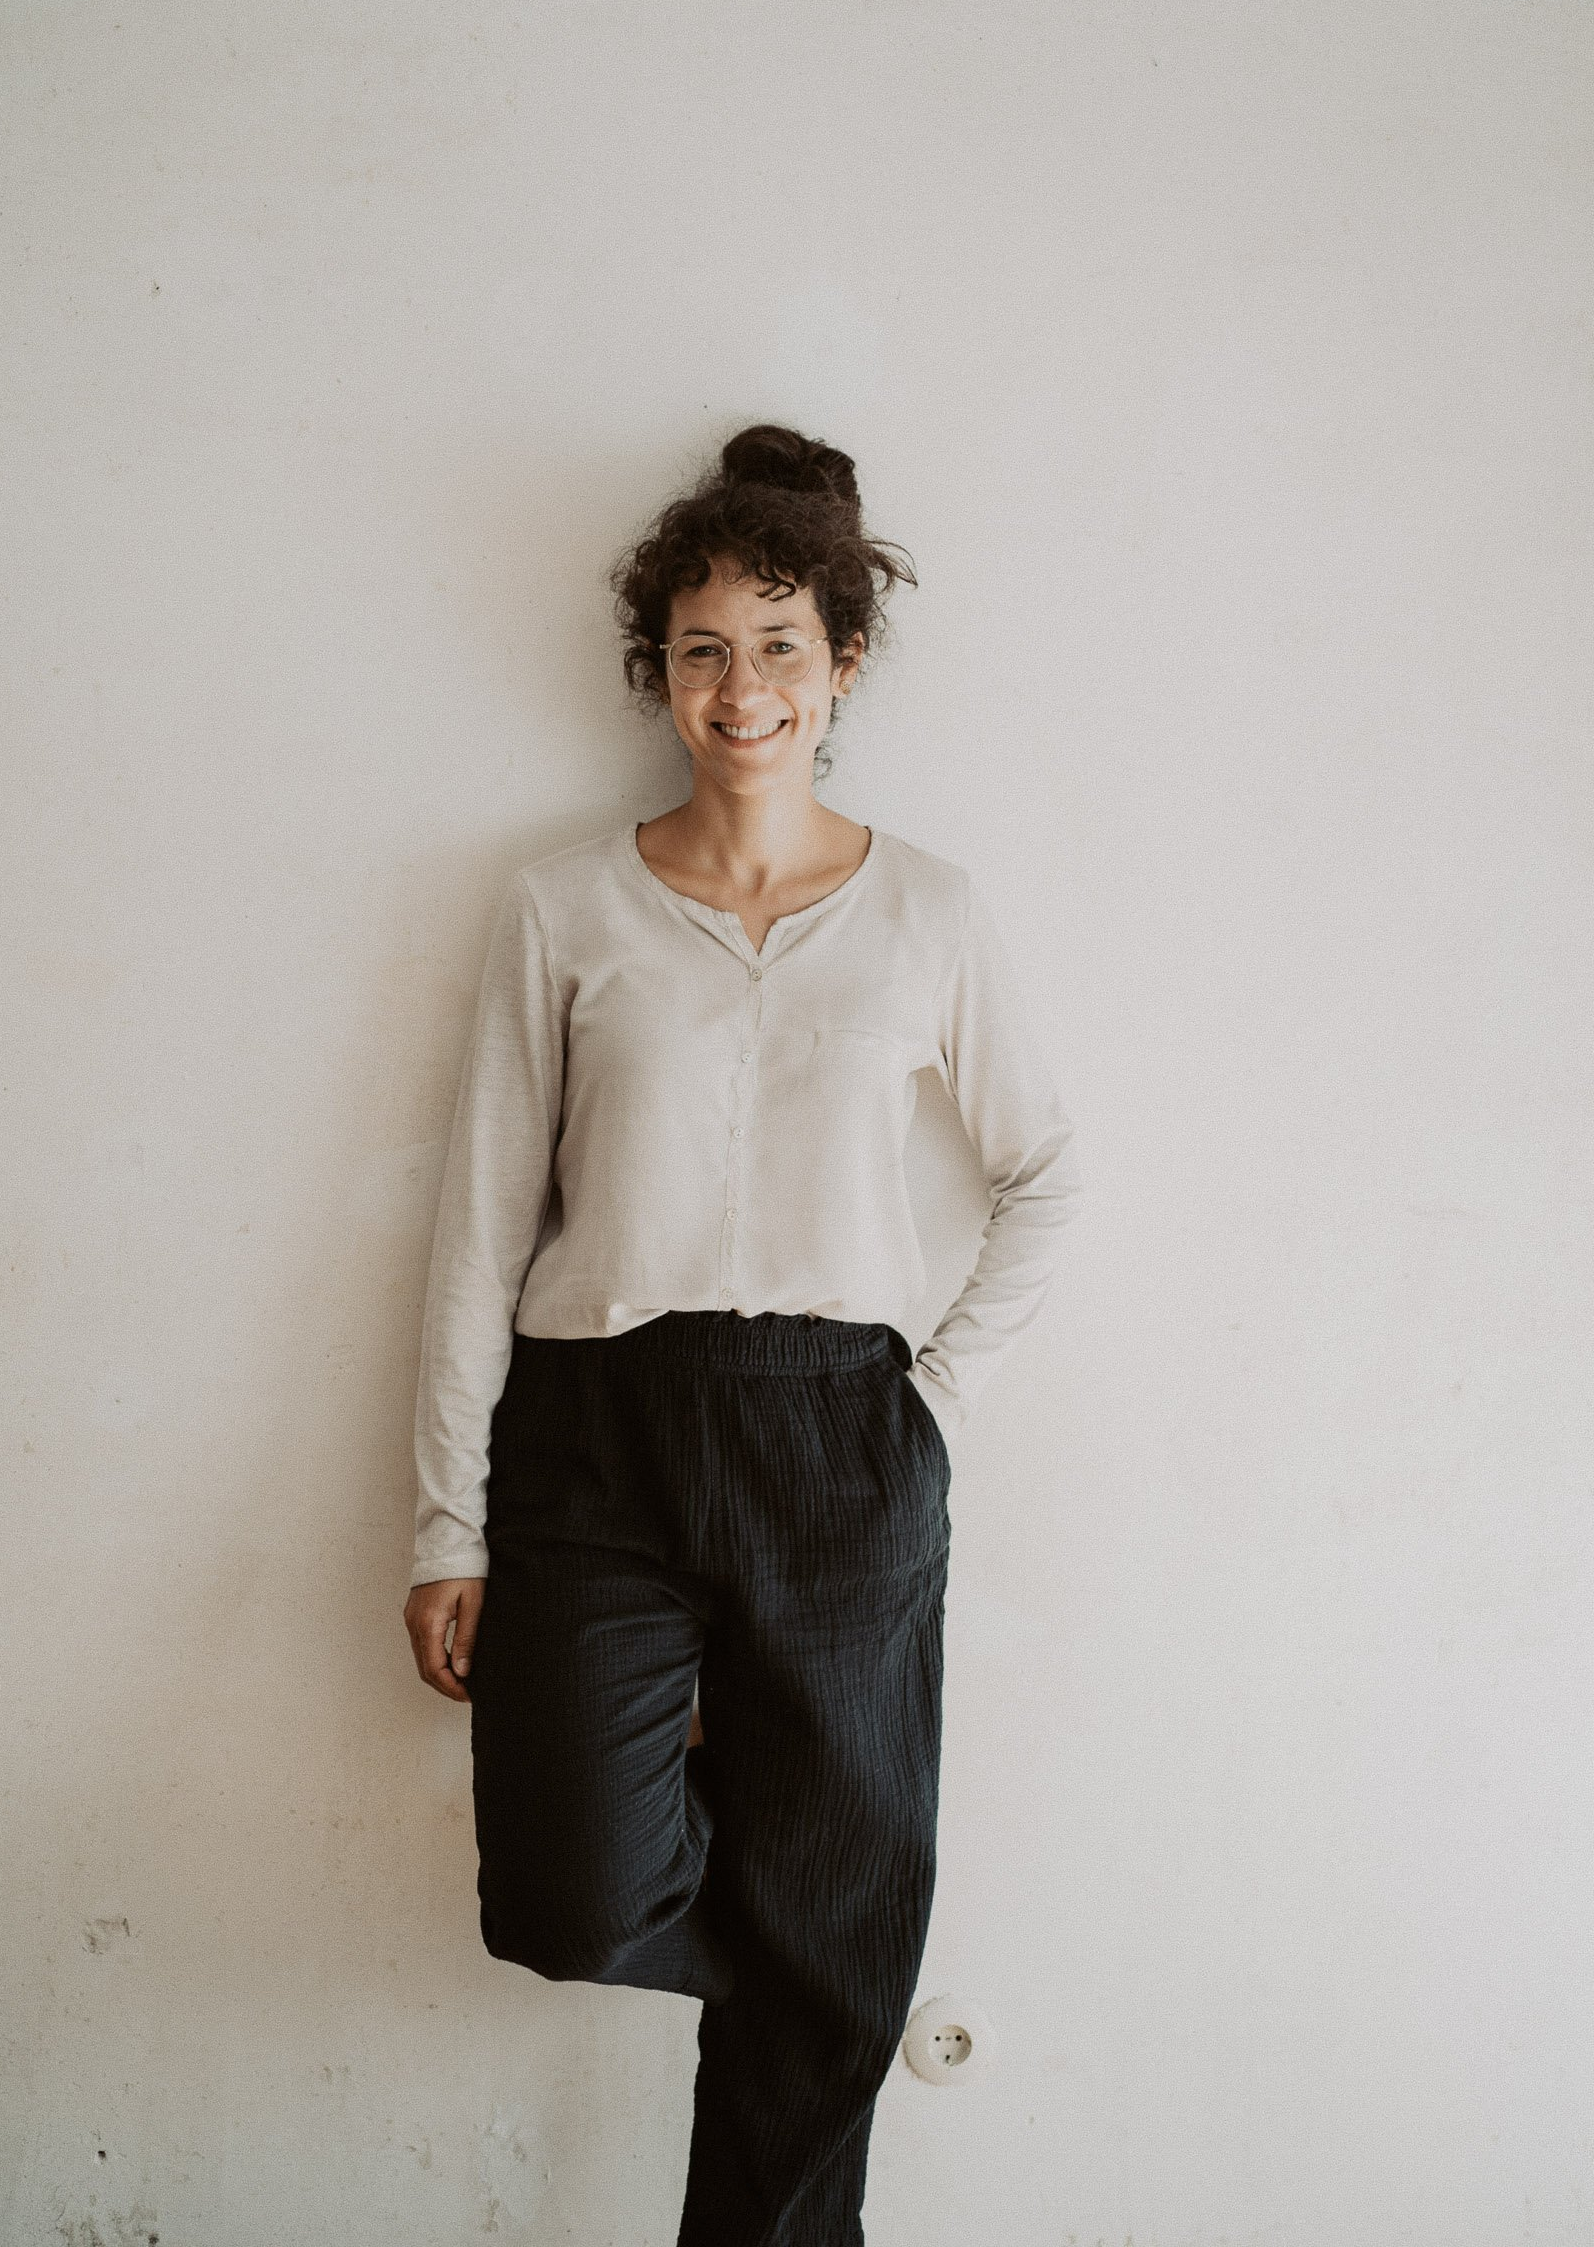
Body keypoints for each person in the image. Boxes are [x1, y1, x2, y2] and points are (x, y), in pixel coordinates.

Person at [401, 422, 1081, 2245]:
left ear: (842, 663)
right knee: (571, 1888)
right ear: (658, 672)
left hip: (842, 1439)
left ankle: (811, 2000)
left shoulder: (928, 911)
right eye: (701, 648)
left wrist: (929, 1406)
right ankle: (805, 1922)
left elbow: (1045, 1174)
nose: (741, 686)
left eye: (779, 644)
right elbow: (480, 1228)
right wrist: (446, 1522)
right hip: (595, 1437)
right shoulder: (561, 906)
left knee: (838, 1938)